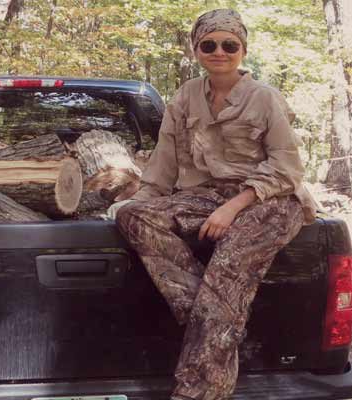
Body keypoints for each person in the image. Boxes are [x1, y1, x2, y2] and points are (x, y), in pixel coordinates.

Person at [107, 9, 318, 400]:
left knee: (227, 270)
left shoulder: (265, 97)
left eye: (229, 45)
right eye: (209, 44)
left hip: (270, 198)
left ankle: (199, 391)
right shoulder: (186, 96)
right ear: (196, 50)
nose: (219, 52)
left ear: (243, 49)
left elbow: (288, 169)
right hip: (208, 193)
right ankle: (207, 319)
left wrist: (232, 208)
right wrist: (137, 204)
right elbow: (164, 163)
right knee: (134, 216)